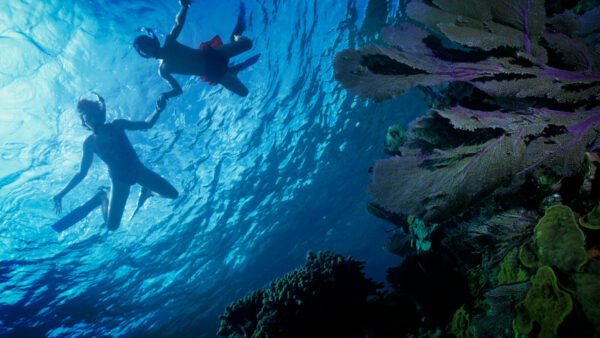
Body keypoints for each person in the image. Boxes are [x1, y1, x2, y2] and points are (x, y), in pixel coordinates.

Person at [52, 94, 178, 231]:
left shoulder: (117, 125)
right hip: (119, 180)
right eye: (87, 117)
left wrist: (158, 110)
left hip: (139, 171)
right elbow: (82, 173)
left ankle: (149, 192)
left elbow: (147, 124)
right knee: (112, 226)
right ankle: (102, 198)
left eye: (94, 115)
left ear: (101, 115)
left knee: (172, 194)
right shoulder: (89, 143)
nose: (92, 119)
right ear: (84, 123)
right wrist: (61, 194)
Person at [133, 0, 259, 107]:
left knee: (248, 44)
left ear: (153, 40)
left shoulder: (169, 42)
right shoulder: (163, 70)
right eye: (145, 50)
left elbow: (178, 23)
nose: (149, 49)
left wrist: (184, 6)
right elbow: (178, 90)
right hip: (214, 73)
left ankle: (235, 37)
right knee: (244, 93)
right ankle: (231, 72)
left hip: (212, 55)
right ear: (146, 56)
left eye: (148, 44)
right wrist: (165, 95)